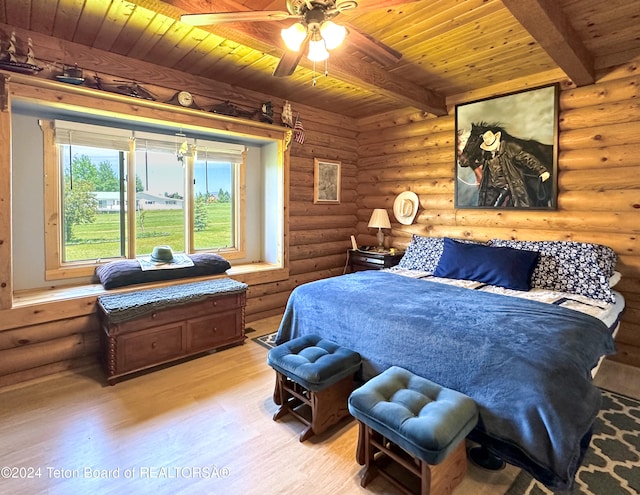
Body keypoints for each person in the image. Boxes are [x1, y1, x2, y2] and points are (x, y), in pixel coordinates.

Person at [477, 130, 551, 207]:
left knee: (520, 208)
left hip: (512, 187)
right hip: (494, 190)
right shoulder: (488, 155)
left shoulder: (509, 148)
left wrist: (541, 170)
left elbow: (527, 158)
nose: (491, 149)